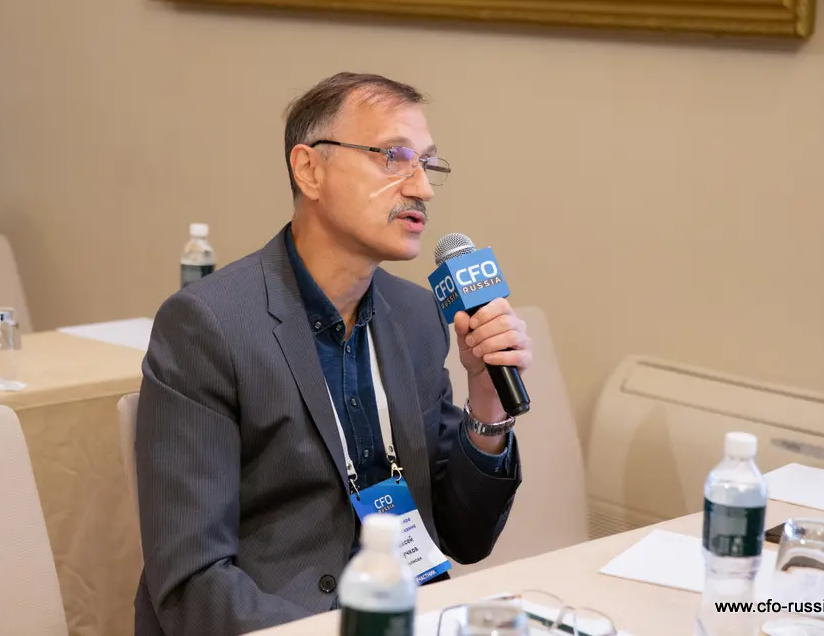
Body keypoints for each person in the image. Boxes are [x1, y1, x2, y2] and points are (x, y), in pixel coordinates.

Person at [134, 72, 533, 636]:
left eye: (428, 164)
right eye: (394, 157)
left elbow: (464, 537)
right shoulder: (208, 325)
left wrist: (488, 407)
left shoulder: (417, 316)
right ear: (309, 170)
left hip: (408, 612)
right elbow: (193, 584)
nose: (422, 188)